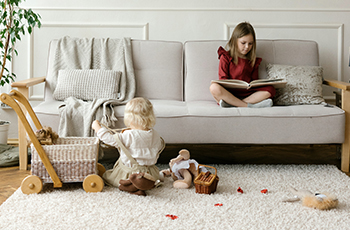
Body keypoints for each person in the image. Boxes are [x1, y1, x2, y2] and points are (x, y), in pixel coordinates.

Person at [92, 97, 165, 196]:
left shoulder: (129, 135)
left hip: (130, 172)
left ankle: (132, 185)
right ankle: (144, 184)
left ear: (130, 118)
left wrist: (97, 128)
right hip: (150, 172)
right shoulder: (155, 134)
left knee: (107, 176)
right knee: (148, 174)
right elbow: (158, 145)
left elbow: (109, 139)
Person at [209, 22, 276, 108]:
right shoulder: (225, 57)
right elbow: (223, 79)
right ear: (235, 41)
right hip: (229, 92)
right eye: (243, 43)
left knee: (271, 90)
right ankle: (248, 105)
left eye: (250, 43)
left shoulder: (253, 61)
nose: (247, 47)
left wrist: (253, 85)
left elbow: (254, 82)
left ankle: (233, 104)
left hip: (247, 93)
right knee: (214, 87)